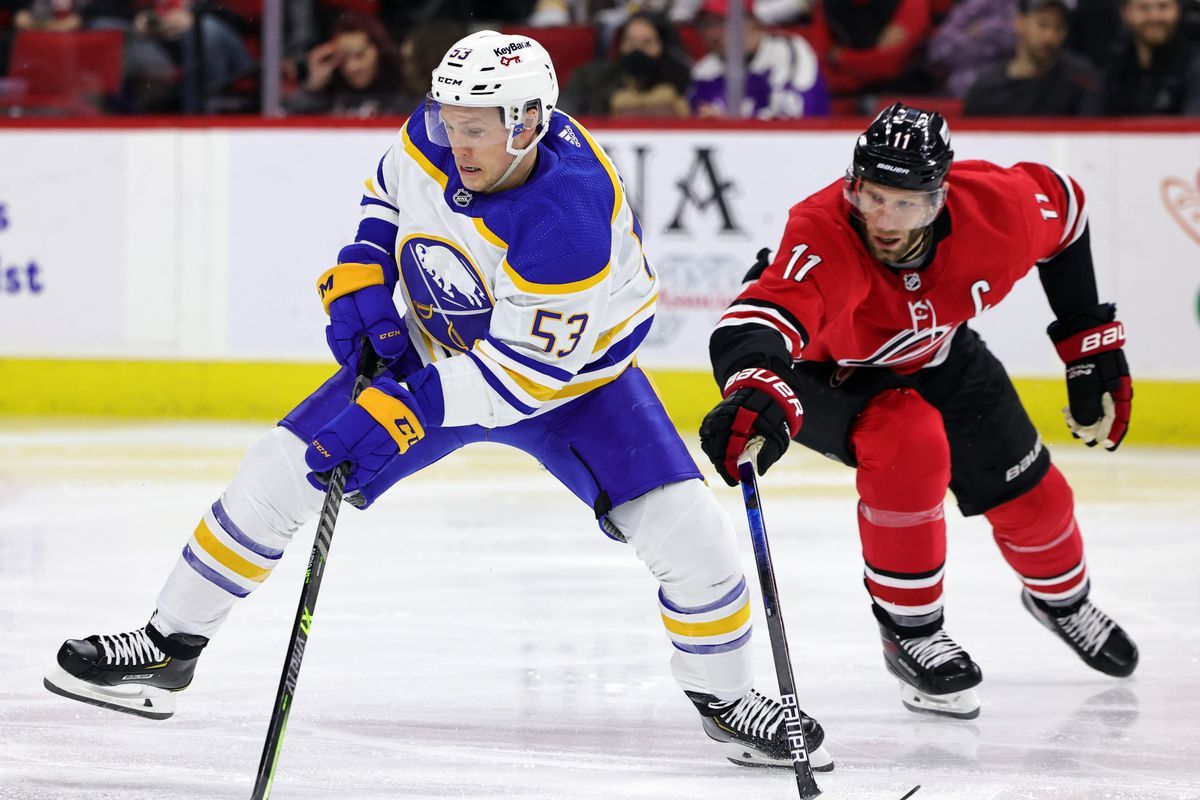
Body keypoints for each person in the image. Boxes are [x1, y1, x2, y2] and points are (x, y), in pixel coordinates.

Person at [43, 31, 834, 774]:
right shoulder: (431, 135)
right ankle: (166, 646)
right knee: (277, 469)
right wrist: (362, 265)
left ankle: (727, 699)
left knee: (692, 536)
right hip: (440, 342)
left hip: (572, 380)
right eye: (450, 120)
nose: (458, 142)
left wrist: (402, 409)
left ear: (528, 123)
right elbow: (388, 194)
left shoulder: (571, 219)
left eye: (479, 128)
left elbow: (519, 379)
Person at [699, 103, 1139, 720]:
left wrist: (1086, 342)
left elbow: (1066, 208)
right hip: (828, 374)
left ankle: (1062, 602)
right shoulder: (824, 228)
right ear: (852, 182)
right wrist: (756, 381)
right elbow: (757, 316)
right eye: (870, 194)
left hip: (941, 356)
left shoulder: (998, 209)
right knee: (909, 437)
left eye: (906, 202)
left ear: (941, 196)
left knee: (1037, 502)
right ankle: (911, 630)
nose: (883, 218)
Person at [689, 0, 830, 119]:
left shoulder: (787, 50)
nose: (711, 34)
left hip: (805, 148)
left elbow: (790, 117)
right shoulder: (704, 71)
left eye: (719, 23)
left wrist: (729, 126)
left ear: (751, 21)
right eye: (705, 25)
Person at [963, 0, 1100, 116]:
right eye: (1043, 24)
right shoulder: (987, 90)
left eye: (1059, 27)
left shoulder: (1080, 80)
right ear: (1020, 22)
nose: (1050, 36)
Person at [561, 11, 692, 117]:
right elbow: (566, 113)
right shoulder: (591, 78)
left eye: (647, 42)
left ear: (664, 47)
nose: (637, 49)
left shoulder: (684, 83)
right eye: (630, 41)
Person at [286, 12, 406, 117]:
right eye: (343, 58)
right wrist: (314, 86)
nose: (351, 67)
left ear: (379, 51)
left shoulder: (403, 97)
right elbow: (285, 126)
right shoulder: (328, 98)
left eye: (360, 55)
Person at [1099, 0, 1200, 115]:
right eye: (1143, 8)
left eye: (1163, 7)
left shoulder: (1194, 66)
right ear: (1125, 13)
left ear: (1178, 11)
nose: (1154, 17)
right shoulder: (1113, 70)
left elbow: (1192, 129)